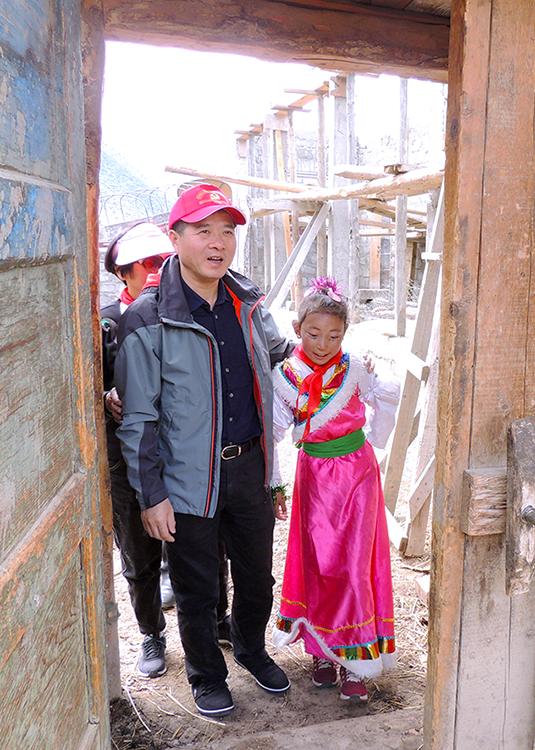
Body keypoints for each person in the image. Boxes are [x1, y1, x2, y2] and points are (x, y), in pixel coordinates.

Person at [114, 184, 293, 717]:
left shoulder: (247, 302)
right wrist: (152, 496)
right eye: (204, 230)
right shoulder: (147, 318)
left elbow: (280, 357)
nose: (218, 243)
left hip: (250, 466)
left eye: (227, 231)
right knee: (196, 588)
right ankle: (206, 676)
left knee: (257, 577)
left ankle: (251, 648)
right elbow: (139, 419)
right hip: (188, 476)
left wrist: (337, 362)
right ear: (175, 238)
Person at [270, 277, 401, 702]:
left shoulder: (356, 369)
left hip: (358, 478)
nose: (323, 344)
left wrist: (378, 429)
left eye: (334, 336)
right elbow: (272, 432)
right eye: (313, 334)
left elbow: (384, 404)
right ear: (297, 328)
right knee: (319, 562)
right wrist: (274, 482)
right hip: (314, 480)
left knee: (354, 564)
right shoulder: (285, 377)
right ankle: (321, 650)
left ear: (346, 333)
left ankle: (354, 659)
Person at [100, 222, 173, 679]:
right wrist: (104, 395)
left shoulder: (186, 309)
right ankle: (151, 631)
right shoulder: (104, 322)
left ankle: (216, 619)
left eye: (164, 261)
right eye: (147, 263)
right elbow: (82, 382)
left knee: (206, 544)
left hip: (181, 451)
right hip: (127, 456)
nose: (157, 269)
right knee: (137, 550)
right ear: (123, 272)